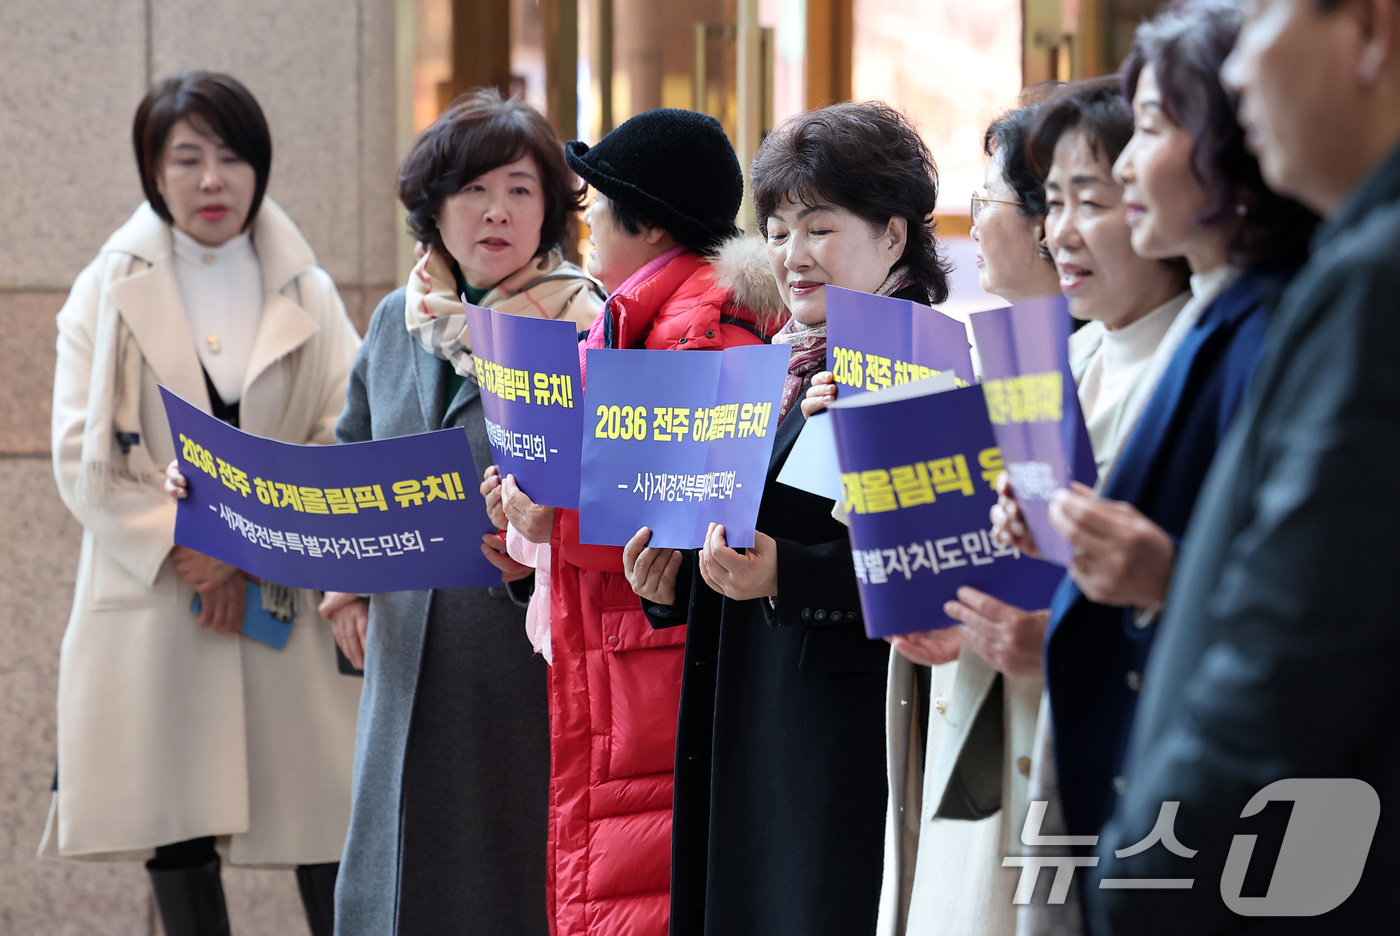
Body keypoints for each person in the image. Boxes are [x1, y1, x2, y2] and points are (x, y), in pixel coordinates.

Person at [1085, 1, 1400, 932]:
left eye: (1263, 18)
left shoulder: (1369, 281)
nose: (1237, 72)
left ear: (1373, 31)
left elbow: (1301, 638)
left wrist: (1149, 866)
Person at [44, 71, 362, 936]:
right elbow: (81, 454)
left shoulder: (309, 292)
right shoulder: (102, 293)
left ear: (260, 167)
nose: (211, 180)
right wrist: (191, 546)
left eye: (231, 157)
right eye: (187, 158)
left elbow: (348, 436)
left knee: (322, 814)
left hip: (279, 588)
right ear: (153, 170)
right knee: (173, 828)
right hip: (157, 594)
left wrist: (241, 542)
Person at [626, 100, 952, 936]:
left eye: (819, 228)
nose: (791, 255)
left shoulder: (923, 359)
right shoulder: (777, 364)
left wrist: (788, 576)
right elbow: (744, 533)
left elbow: (938, 573)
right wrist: (669, 582)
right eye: (775, 229)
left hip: (839, 744)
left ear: (893, 235)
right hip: (746, 718)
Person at [880, 77, 1192, 935]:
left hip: (1096, 783)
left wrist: (1058, 640)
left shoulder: (1195, 364)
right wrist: (962, 620)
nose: (1059, 232)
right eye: (1050, 202)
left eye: (1087, 199)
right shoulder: (1066, 361)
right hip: (995, 747)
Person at [496, 108, 784, 936]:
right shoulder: (647, 314)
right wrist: (532, 515)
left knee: (641, 891)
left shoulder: (698, 327)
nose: (583, 230)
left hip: (650, 661)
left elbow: (696, 508)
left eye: (594, 210)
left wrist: (558, 521)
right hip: (626, 651)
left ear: (648, 222)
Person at [330, 89, 603, 935]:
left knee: (500, 882)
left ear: (553, 210)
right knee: (395, 879)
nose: (497, 211)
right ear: (434, 210)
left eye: (522, 190)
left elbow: (612, 492)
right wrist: (342, 587)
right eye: (474, 190)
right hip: (406, 650)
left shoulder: (587, 325)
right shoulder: (397, 318)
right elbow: (354, 454)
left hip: (518, 658)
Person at [875, 90, 1061, 936]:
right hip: (958, 712)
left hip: (1036, 750)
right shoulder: (991, 353)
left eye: (985, 200)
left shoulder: (1075, 364)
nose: (974, 225)